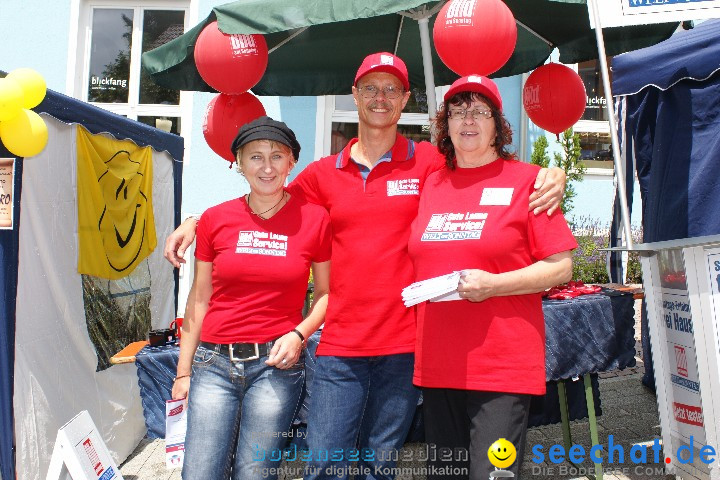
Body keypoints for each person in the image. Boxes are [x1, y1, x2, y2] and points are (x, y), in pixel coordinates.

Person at [165, 53, 567, 480]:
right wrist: (197, 219)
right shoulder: (322, 174)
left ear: (406, 99)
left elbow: (490, 170)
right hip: (341, 344)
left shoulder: (430, 165)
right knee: (325, 466)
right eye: (371, 88)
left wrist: (552, 172)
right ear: (354, 96)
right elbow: (266, 198)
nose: (381, 98)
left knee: (381, 468)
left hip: (405, 345)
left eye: (392, 89)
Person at [407, 75, 578, 479]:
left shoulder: (528, 182)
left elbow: (561, 266)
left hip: (502, 366)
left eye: (480, 112)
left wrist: (493, 286)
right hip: (438, 363)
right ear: (444, 124)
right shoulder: (432, 181)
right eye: (458, 111)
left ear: (498, 125)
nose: (469, 120)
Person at [171, 116, 331, 480]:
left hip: (275, 366)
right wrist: (183, 372)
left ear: (292, 162)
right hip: (213, 364)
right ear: (239, 164)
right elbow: (199, 297)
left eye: (277, 156)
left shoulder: (315, 220)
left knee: (255, 472)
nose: (267, 166)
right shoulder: (215, 219)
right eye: (255, 157)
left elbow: (325, 294)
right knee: (199, 472)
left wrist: (299, 333)